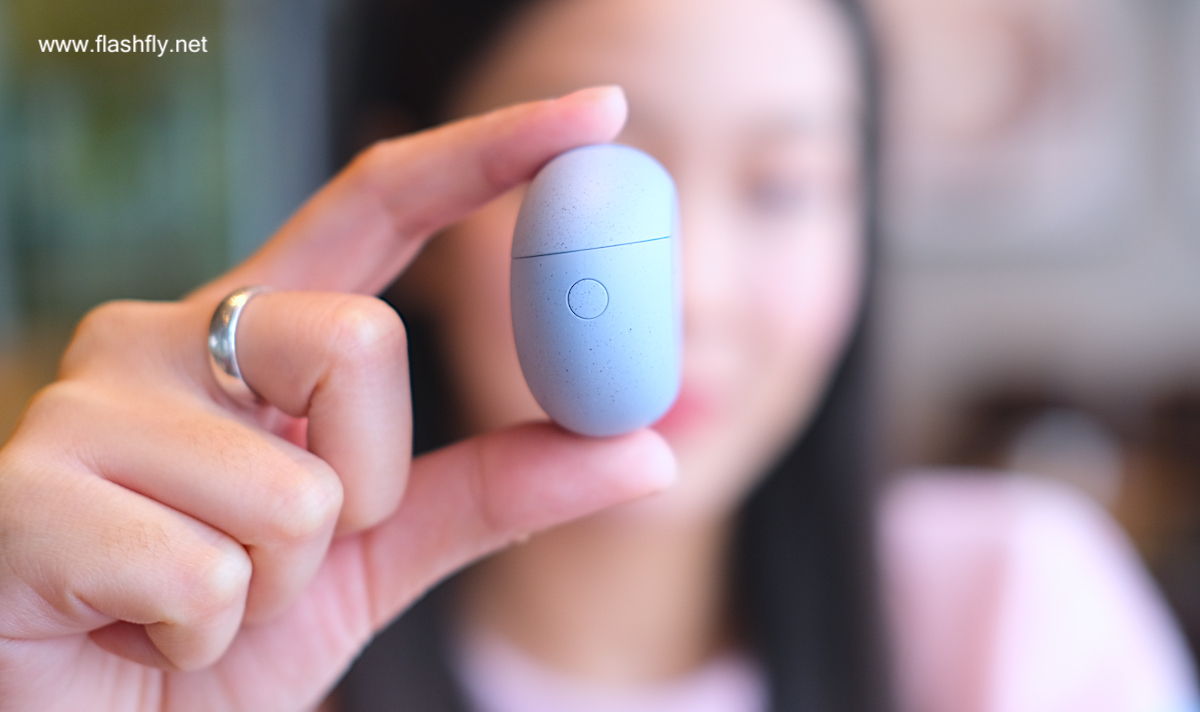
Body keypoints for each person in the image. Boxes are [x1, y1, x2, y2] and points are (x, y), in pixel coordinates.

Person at [0, 2, 1194, 712]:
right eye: (602, 176)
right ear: (425, 214)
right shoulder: (215, 637)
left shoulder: (1019, 619)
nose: (696, 293)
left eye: (787, 185)